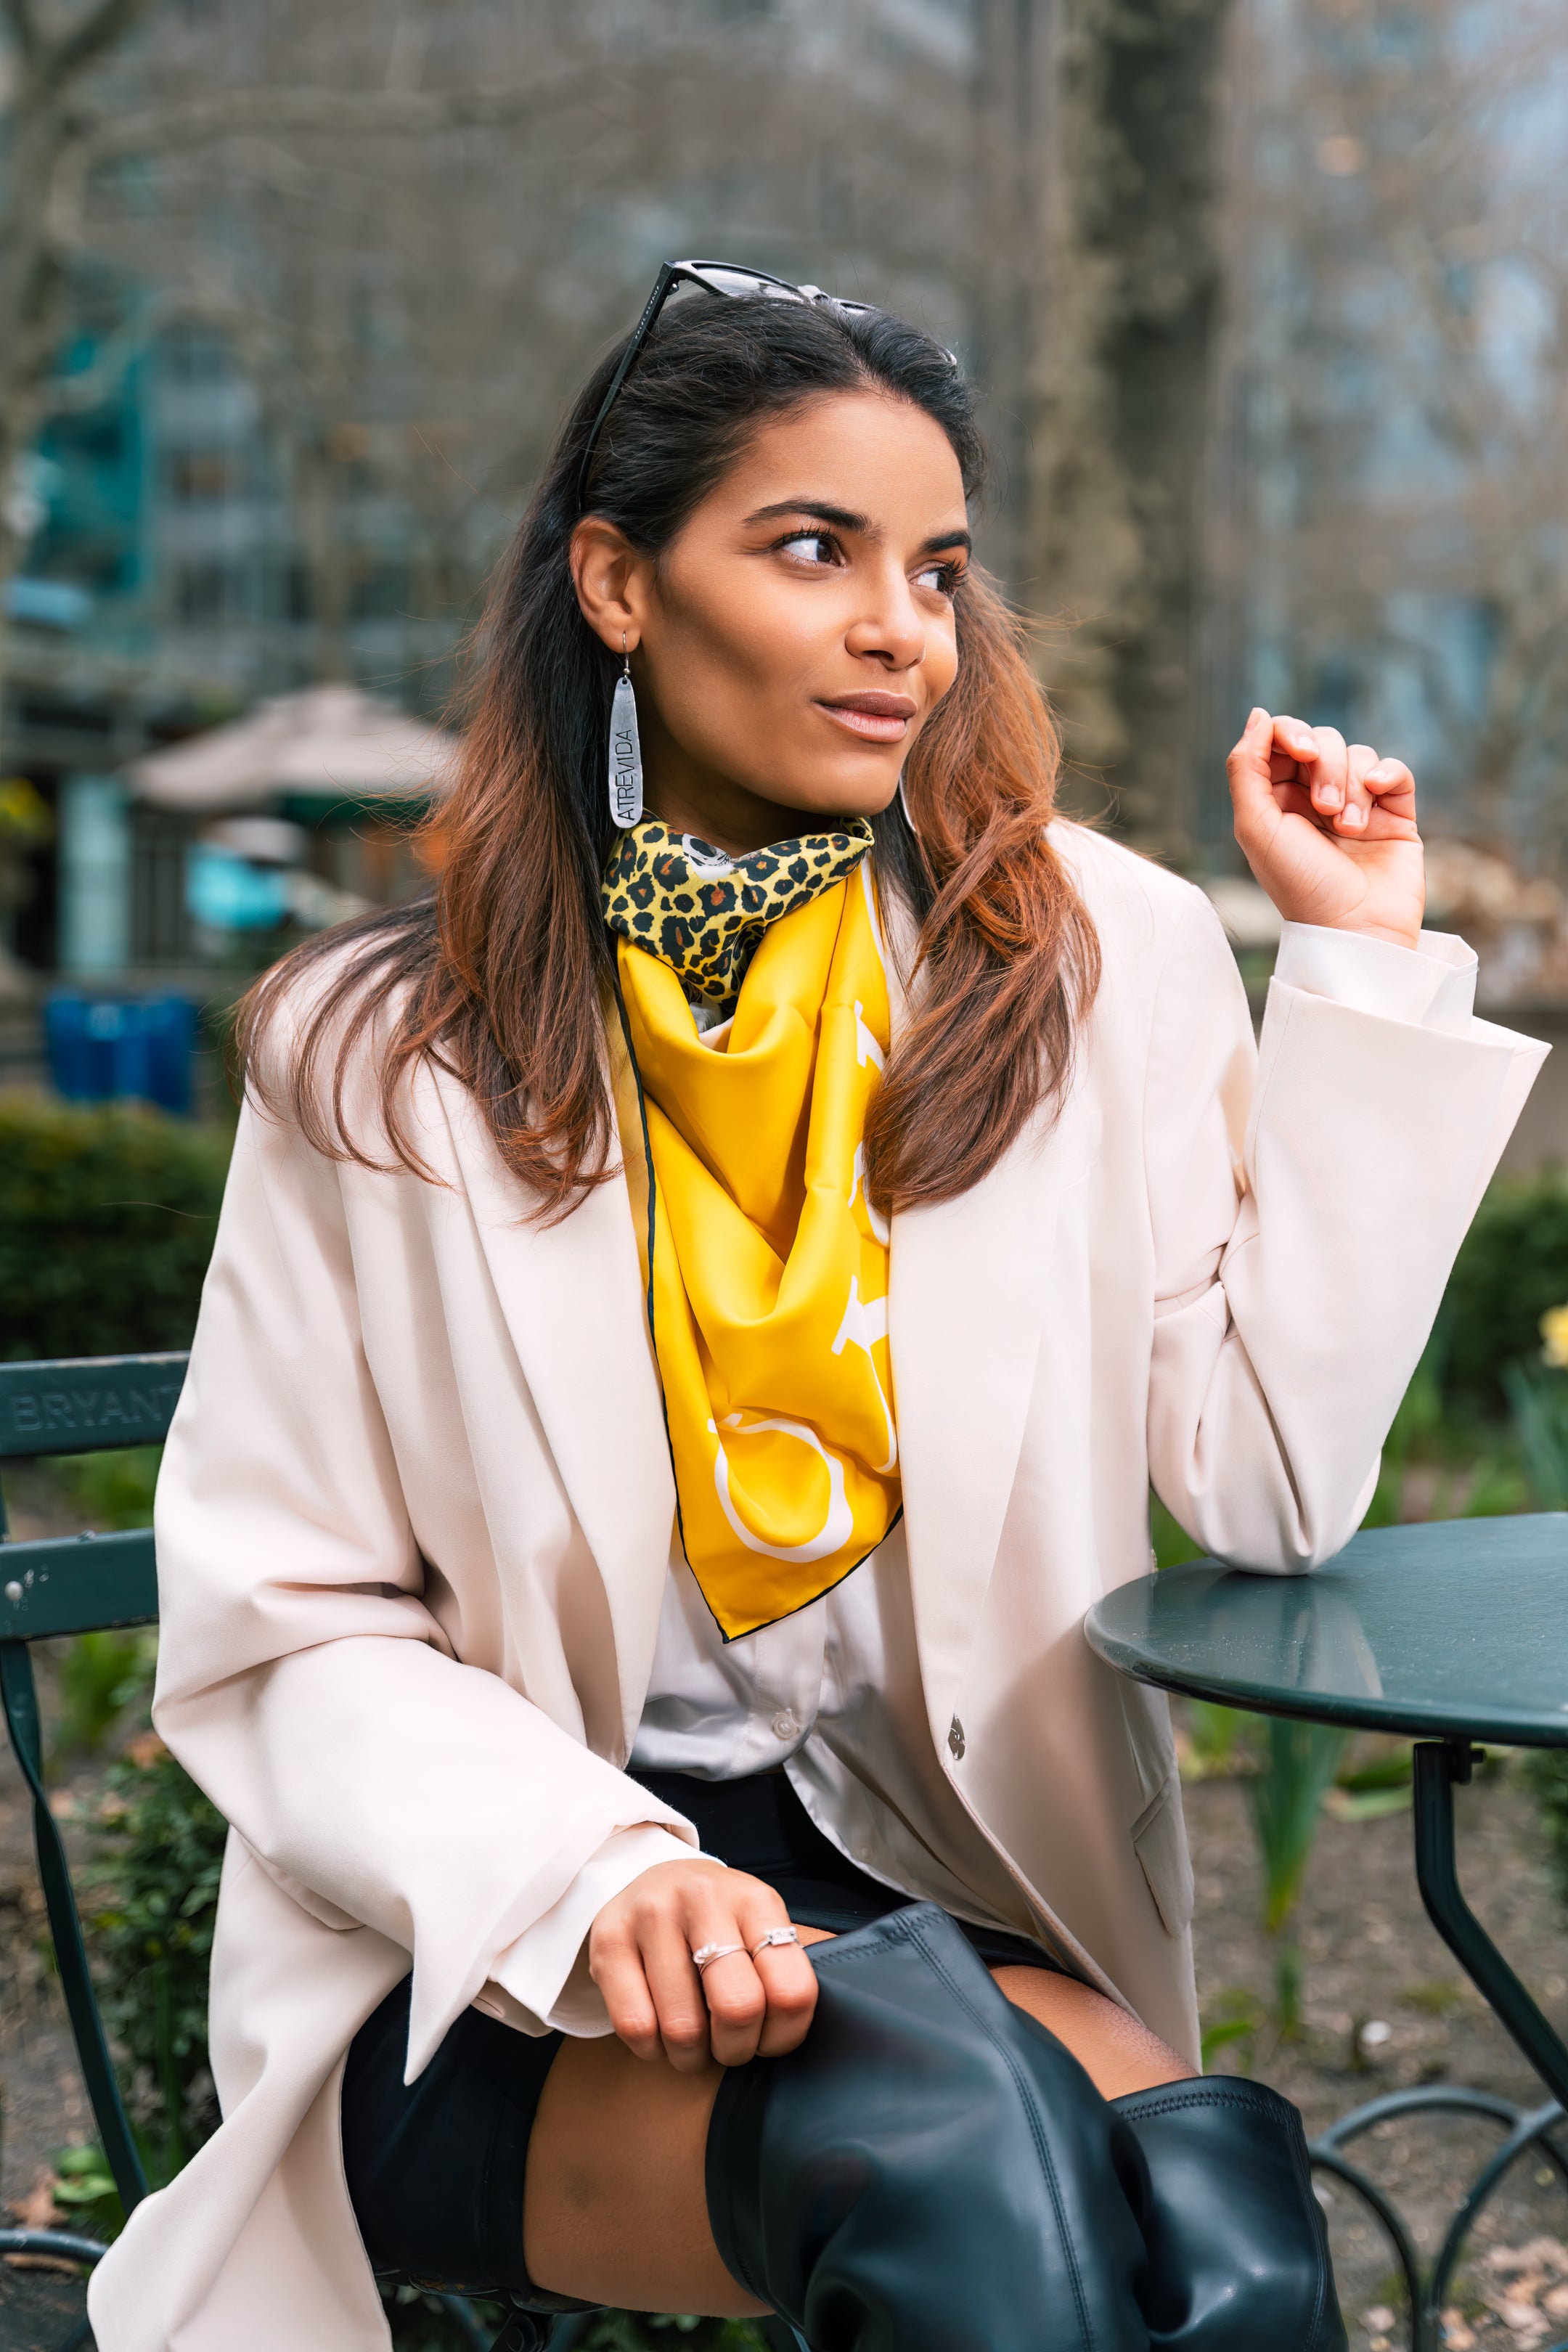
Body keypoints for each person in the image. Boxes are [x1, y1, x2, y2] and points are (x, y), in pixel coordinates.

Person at [91, 264, 1545, 2352]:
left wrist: (1360, 971)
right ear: (616, 580)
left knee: (1214, 2236)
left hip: (939, 1881)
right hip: (503, 1936)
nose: (901, 631)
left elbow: (1271, 1487)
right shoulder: (385, 1049)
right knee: (970, 2160)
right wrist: (600, 1872)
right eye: (812, 549)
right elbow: (286, 1629)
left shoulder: (1082, 957)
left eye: (938, 570)